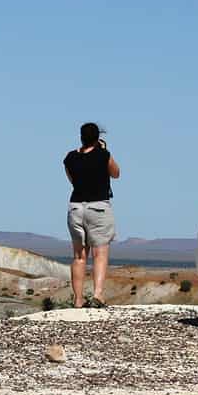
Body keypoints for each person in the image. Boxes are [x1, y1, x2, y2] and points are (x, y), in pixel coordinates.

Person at [63, 122, 121, 308]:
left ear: (81, 137)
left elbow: (73, 181)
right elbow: (116, 173)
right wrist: (104, 151)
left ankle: (78, 299)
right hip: (98, 207)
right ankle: (97, 294)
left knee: (79, 256)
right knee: (100, 253)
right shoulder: (103, 155)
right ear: (97, 138)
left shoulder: (70, 158)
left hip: (76, 207)